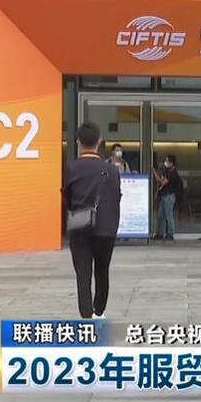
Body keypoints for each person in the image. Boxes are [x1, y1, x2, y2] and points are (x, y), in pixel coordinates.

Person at [64, 123, 122, 319]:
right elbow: (116, 197)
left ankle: (86, 314)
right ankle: (99, 310)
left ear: (78, 142)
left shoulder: (71, 168)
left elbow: (67, 198)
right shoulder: (112, 170)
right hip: (105, 228)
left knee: (83, 272)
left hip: (79, 226)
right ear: (99, 141)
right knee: (102, 270)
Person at [154, 155, 182, 241]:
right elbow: (160, 180)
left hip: (169, 196)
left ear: (171, 163)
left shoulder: (172, 173)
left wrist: (154, 172)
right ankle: (159, 233)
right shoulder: (167, 171)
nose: (165, 163)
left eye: (167, 161)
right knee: (160, 215)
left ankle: (170, 233)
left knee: (168, 215)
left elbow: (162, 182)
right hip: (164, 195)